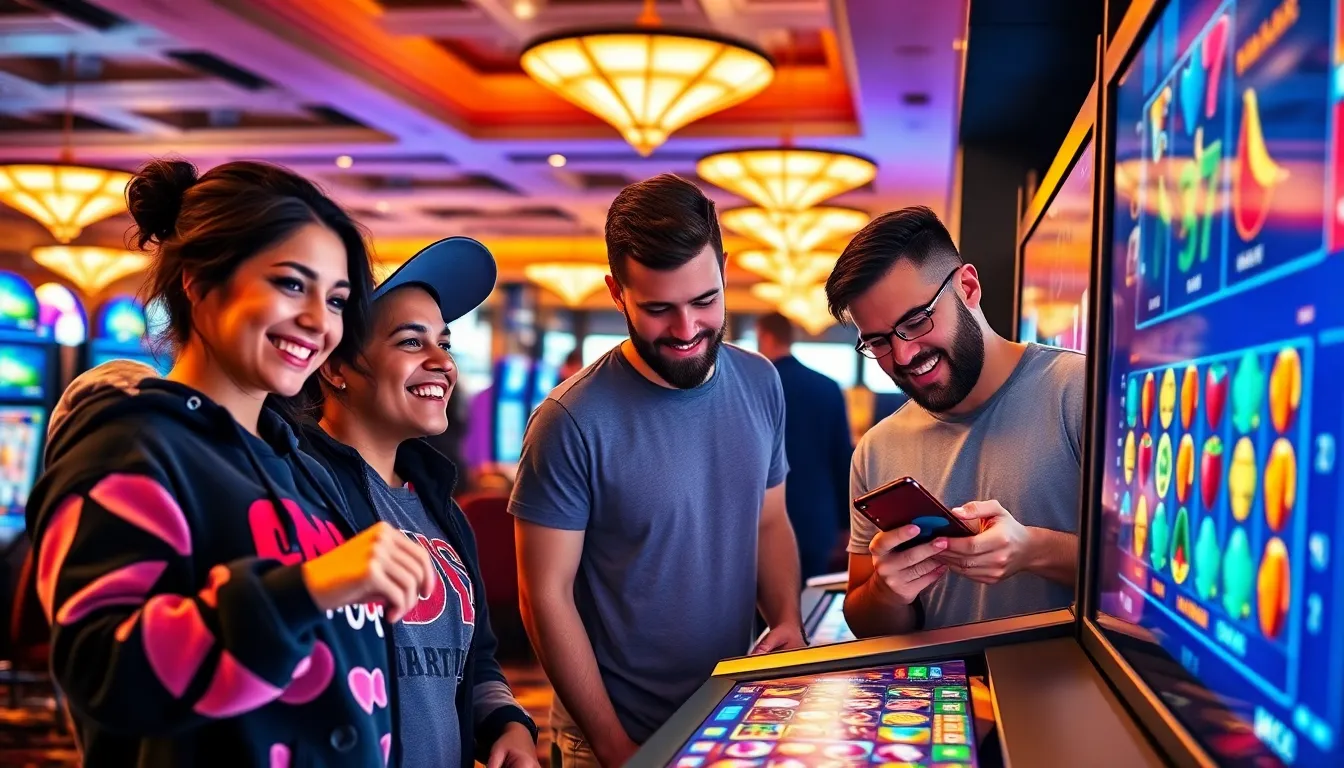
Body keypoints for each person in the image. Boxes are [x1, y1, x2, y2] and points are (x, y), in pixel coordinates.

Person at [24, 159, 436, 766]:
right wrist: (308, 587)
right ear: (199, 283)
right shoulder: (132, 443)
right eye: (290, 284)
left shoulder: (298, 463)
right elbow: (104, 672)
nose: (318, 320)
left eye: (337, 300)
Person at [510, 173, 805, 768]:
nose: (687, 329)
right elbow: (543, 597)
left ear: (724, 270)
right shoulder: (570, 420)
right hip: (609, 738)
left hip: (728, 716)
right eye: (658, 309)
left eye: (705, 301)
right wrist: (613, 745)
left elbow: (769, 521)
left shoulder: (760, 382)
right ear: (616, 293)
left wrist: (787, 621)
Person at [293, 237, 540, 768]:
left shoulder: (438, 504)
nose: (442, 362)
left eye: (444, 343)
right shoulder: (300, 490)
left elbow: (475, 660)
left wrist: (507, 723)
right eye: (411, 342)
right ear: (335, 368)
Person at [825, 206, 1085, 638]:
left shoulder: (1080, 389)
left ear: (967, 287)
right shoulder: (876, 448)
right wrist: (887, 592)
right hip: (938, 682)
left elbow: (1155, 572)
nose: (904, 355)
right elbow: (867, 625)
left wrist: (1033, 550)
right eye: (878, 342)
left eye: (915, 322)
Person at [754, 312, 853, 579]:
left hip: (762, 516)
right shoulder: (827, 387)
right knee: (810, 597)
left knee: (760, 599)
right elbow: (842, 459)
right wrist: (846, 523)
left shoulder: (755, 387)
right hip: (816, 517)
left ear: (766, 337)